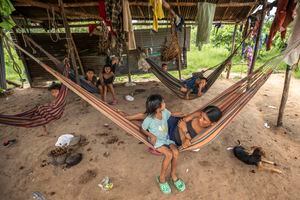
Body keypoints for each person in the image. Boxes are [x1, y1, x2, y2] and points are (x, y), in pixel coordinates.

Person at [132, 94, 186, 194]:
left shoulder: (164, 112)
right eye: (163, 102)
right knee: (169, 154)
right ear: (157, 108)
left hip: (166, 138)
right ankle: (161, 178)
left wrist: (183, 115)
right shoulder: (149, 119)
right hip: (156, 141)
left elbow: (172, 114)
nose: (165, 104)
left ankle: (173, 175)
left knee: (176, 152)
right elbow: (142, 128)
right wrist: (151, 135)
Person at [126, 105, 222, 149]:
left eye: (204, 119)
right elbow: (182, 121)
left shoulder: (207, 133)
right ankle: (128, 117)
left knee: (150, 126)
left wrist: (184, 131)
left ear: (212, 124)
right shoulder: (198, 114)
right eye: (201, 115)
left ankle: (132, 120)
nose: (200, 119)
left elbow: (189, 143)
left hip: (172, 138)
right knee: (155, 115)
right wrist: (185, 133)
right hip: (173, 124)